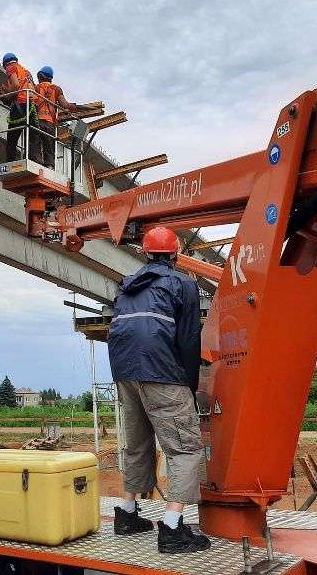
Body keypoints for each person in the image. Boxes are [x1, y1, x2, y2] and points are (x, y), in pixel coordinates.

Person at [108, 226, 211, 554]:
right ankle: (172, 528)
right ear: (176, 253)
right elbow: (189, 338)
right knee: (185, 448)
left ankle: (127, 514)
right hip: (161, 372)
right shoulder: (183, 283)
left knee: (138, 443)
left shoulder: (127, 285)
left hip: (125, 372)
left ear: (145, 252)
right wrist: (189, 384)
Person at [33, 66, 77, 168]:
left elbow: (31, 103)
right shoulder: (56, 89)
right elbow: (65, 105)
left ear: (40, 76)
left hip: (37, 121)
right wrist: (74, 107)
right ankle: (49, 165)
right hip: (50, 123)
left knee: (35, 143)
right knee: (49, 145)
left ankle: (36, 161)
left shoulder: (36, 88)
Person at [0, 53, 38, 161]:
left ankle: (11, 160)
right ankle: (32, 159)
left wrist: (7, 94)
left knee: (12, 137)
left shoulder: (10, 67)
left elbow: (16, 85)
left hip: (20, 104)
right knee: (31, 136)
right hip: (32, 105)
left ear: (5, 63)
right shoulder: (26, 71)